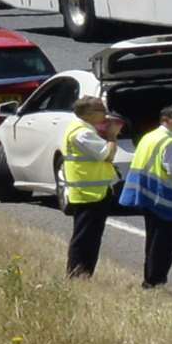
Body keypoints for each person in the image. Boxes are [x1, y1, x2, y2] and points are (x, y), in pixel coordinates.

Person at [119, 103, 172, 290]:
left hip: (146, 191)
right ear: (165, 120)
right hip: (163, 195)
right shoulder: (169, 141)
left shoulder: (151, 136)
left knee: (153, 240)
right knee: (164, 243)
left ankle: (150, 279)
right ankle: (156, 280)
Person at [61, 96, 121, 278]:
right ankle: (78, 273)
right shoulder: (82, 133)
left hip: (92, 191)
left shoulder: (85, 129)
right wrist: (112, 136)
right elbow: (106, 155)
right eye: (101, 110)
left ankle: (83, 273)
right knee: (85, 238)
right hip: (89, 193)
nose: (105, 113)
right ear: (88, 113)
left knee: (90, 237)